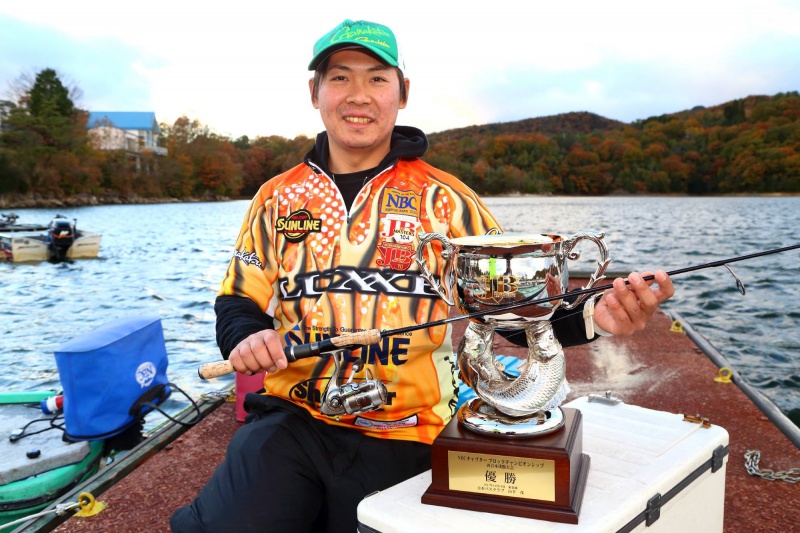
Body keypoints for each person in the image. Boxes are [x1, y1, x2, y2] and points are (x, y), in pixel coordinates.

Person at [171, 19, 674, 533]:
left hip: (407, 430)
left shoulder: (448, 199)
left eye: (377, 78)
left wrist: (595, 315)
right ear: (314, 93)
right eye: (340, 78)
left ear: (403, 93)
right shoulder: (276, 197)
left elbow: (507, 307)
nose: (358, 96)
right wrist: (248, 335)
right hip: (292, 417)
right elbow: (237, 299)